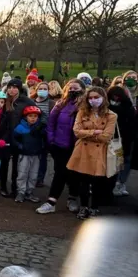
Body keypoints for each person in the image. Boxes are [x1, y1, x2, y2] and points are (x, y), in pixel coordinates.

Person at [35, 79, 85, 214]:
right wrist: (51, 140)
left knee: (74, 174)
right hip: (60, 145)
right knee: (60, 173)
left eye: (76, 88)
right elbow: (51, 124)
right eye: (70, 88)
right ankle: (51, 202)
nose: (73, 91)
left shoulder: (85, 106)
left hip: (78, 146)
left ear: (82, 89)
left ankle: (72, 197)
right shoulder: (60, 104)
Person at [67, 87, 117, 219]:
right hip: (83, 150)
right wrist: (94, 132)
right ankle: (83, 207)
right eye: (90, 98)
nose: (93, 100)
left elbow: (106, 136)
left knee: (97, 182)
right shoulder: (82, 112)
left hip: (99, 151)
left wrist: (86, 134)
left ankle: (94, 207)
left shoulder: (111, 115)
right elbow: (77, 131)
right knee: (83, 181)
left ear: (103, 98)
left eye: (96, 97)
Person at [0, 78, 35, 198]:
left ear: (19, 88)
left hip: (20, 136)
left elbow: (37, 114)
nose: (12, 90)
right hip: (4, 136)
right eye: (10, 87)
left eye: (14, 87)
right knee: (4, 163)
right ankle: (3, 187)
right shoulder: (3, 100)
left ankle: (15, 188)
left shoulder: (26, 101)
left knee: (17, 165)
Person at [12, 106, 45, 203]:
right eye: (30, 116)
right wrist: (20, 146)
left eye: (35, 116)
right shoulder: (20, 127)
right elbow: (14, 139)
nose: (33, 118)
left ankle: (29, 192)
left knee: (33, 175)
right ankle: (21, 192)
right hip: (24, 154)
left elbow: (44, 138)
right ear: (25, 117)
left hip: (36, 155)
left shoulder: (40, 128)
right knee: (22, 173)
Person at [108, 86, 136, 197]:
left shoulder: (128, 107)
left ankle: (119, 183)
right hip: (110, 138)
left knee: (122, 162)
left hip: (124, 140)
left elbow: (132, 124)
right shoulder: (106, 106)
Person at [30, 82, 55, 187]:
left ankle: (39, 178)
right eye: (41, 88)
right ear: (36, 89)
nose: (43, 90)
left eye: (45, 89)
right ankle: (30, 176)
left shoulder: (52, 103)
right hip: (32, 132)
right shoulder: (31, 101)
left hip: (45, 133)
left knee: (42, 157)